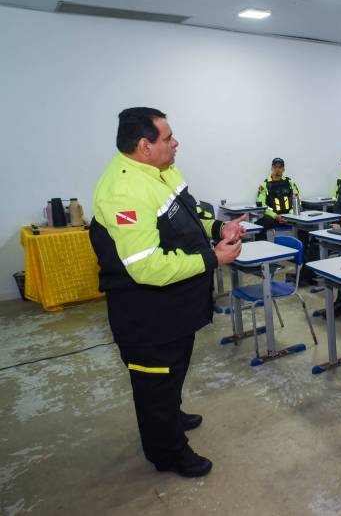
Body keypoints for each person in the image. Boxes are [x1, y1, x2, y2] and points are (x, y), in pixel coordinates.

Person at [89, 107, 245, 478]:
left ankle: (171, 418)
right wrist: (213, 259)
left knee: (173, 373)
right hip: (146, 314)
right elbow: (146, 267)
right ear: (145, 145)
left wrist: (217, 230)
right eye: (168, 137)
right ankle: (168, 452)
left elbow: (188, 216)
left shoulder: (162, 171)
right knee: (154, 385)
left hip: (174, 307)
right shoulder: (124, 190)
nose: (176, 143)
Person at [255, 157, 301, 230]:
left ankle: (306, 241)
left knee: (303, 223)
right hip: (273, 217)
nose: (277, 169)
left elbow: (297, 200)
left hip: (290, 217)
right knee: (258, 226)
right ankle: (261, 241)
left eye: (280, 167)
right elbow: (261, 205)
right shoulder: (264, 185)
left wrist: (290, 215)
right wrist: (275, 216)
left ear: (283, 169)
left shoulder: (290, 183)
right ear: (272, 168)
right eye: (275, 167)